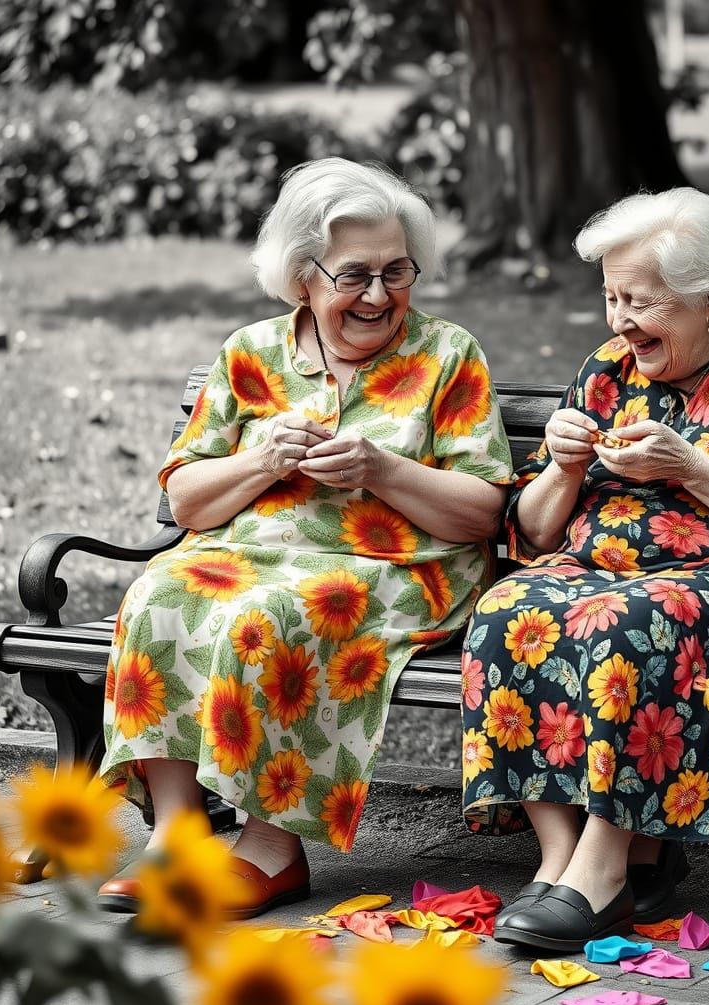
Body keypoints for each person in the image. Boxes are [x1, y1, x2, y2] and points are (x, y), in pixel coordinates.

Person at [97, 158, 513, 917]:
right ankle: (178, 839)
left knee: (274, 618)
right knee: (157, 592)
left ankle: (270, 851)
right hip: (242, 557)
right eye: (355, 276)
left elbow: (482, 513)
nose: (380, 295)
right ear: (302, 278)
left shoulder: (448, 354)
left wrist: (381, 468)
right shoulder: (252, 354)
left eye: (398, 271)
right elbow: (185, 498)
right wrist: (262, 459)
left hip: (399, 566)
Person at [461, 187, 709, 951]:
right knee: (510, 607)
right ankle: (559, 860)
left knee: (635, 621)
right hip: (599, 572)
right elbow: (534, 532)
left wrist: (691, 469)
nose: (618, 321)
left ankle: (606, 872)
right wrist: (564, 470)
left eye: (639, 301)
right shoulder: (609, 370)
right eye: (610, 297)